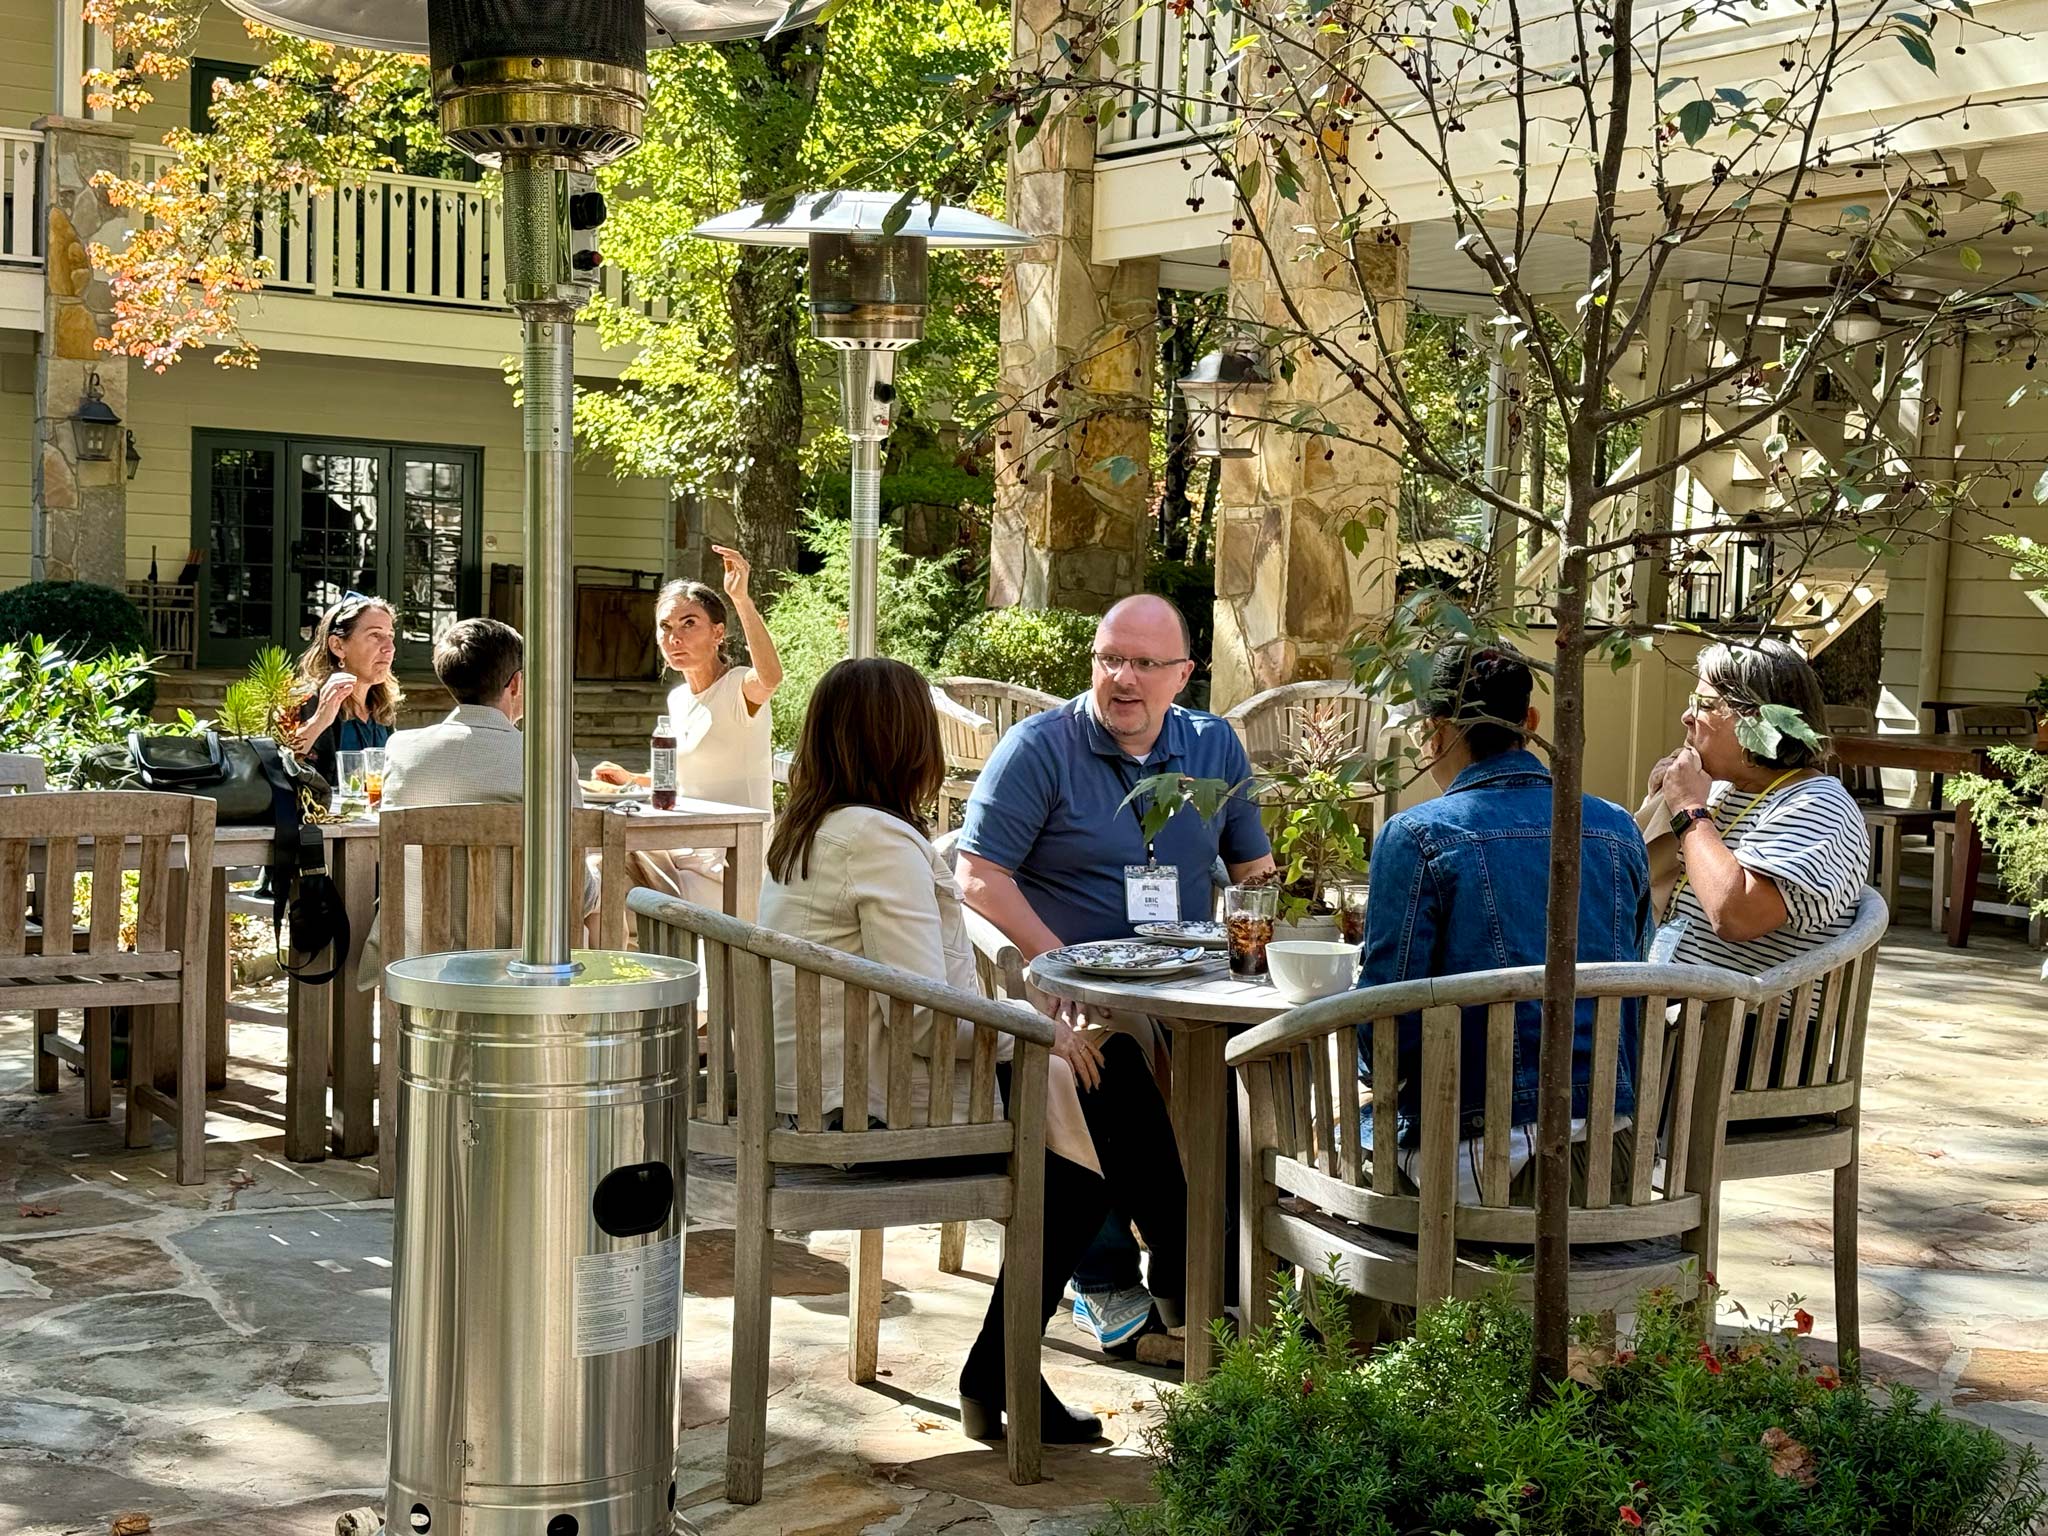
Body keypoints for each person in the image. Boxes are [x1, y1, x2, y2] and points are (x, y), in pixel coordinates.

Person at [762, 658, 1186, 1444]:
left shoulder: (812, 829)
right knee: (1095, 1099)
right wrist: (1036, 1031)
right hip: (867, 1102)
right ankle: (1173, 1289)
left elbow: (919, 1000)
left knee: (1097, 1080)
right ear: (900, 742)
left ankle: (1154, 1289)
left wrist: (1038, 1034)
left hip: (827, 1082)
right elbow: (926, 1019)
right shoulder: (876, 842)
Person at [955, 593, 1269, 1352]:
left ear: (1183, 675)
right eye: (1109, 660)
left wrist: (1263, 925)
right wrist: (1050, 965)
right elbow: (977, 876)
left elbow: (1253, 868)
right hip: (1075, 979)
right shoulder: (1040, 747)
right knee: (1098, 1062)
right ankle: (1112, 1281)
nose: (1123, 679)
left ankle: (1210, 1276)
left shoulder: (1213, 747)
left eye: (1145, 664)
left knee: (1260, 1066)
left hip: (1193, 985)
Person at [1359, 643, 1653, 1198]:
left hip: (1478, 1163)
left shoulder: (1418, 836)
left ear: (1436, 731)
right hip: (1612, 1161)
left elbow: (1383, 1037)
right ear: (1531, 722)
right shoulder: (1617, 829)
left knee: (1301, 1148)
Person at [359, 618, 594, 983]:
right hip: (523, 958)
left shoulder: (402, 749)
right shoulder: (549, 758)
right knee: (595, 889)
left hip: (418, 959)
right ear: (516, 683)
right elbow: (575, 882)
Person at [1647, 639, 1869, 974]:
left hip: (1745, 1021)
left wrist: (1689, 811)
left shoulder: (1820, 807)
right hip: (1680, 1009)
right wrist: (1659, 805)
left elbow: (1736, 915)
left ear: (1756, 719)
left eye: (1704, 705)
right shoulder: (1721, 789)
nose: (1686, 717)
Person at [593, 546, 783, 906]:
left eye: (689, 623)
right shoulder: (678, 699)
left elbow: (771, 677)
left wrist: (740, 599)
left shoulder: (739, 686)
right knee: (594, 870)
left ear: (718, 633)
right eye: (665, 627)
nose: (674, 638)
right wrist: (630, 779)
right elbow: (681, 779)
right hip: (681, 846)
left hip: (728, 858)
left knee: (606, 879)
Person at [289, 593, 399, 787]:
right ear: (338, 646)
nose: (389, 648)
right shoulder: (306, 700)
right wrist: (319, 720)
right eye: (375, 635)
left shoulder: (381, 706)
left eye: (390, 636)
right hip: (325, 816)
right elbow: (283, 765)